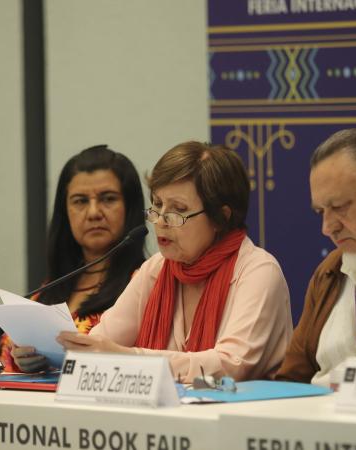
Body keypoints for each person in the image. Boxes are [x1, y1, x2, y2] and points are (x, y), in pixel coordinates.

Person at [57, 141, 293, 383]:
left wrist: (130, 358)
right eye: (158, 205)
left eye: (178, 209)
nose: (160, 221)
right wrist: (51, 352)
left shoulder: (258, 271)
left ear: (220, 218)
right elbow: (101, 341)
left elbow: (231, 365)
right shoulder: (156, 268)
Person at [0, 145, 146, 372]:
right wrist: (20, 363)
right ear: (65, 212)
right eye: (80, 201)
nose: (94, 212)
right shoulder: (48, 289)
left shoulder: (144, 284)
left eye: (108, 198)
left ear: (130, 207)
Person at [277, 128, 356, 385]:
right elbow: (290, 381)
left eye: (339, 207)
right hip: (316, 411)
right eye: (320, 211)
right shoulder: (329, 272)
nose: (327, 228)